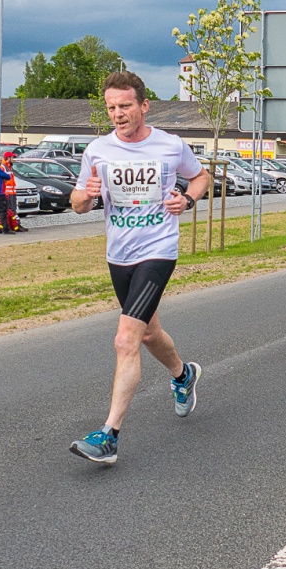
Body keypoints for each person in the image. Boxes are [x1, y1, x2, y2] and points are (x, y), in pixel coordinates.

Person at [68, 71, 210, 465]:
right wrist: (86, 195)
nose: (118, 113)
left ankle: (109, 435)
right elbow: (78, 202)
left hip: (158, 249)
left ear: (144, 106)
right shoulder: (97, 150)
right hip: (119, 254)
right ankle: (184, 375)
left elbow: (201, 176)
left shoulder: (170, 145)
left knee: (125, 339)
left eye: (125, 105)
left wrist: (188, 199)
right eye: (112, 107)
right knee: (149, 334)